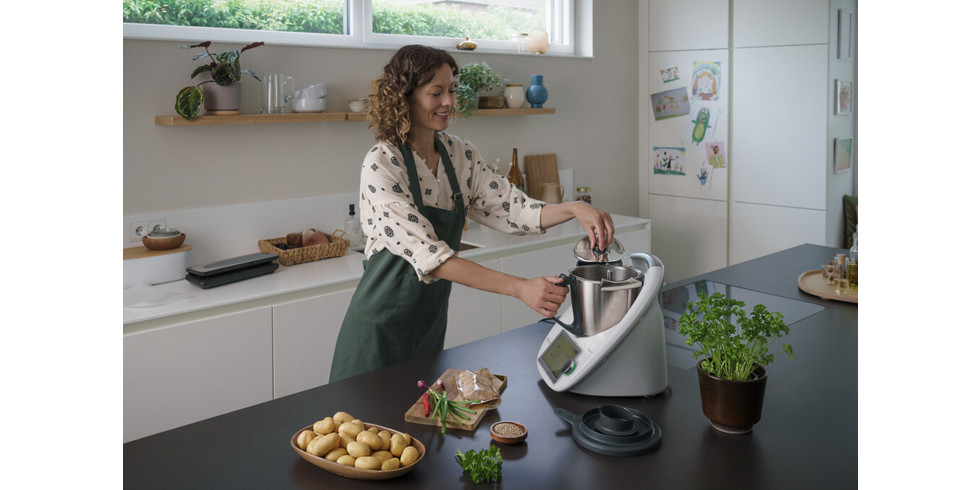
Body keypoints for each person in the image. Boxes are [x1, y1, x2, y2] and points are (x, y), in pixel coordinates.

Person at [329, 45, 616, 382]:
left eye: (452, 89)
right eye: (436, 92)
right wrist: (521, 288)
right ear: (405, 97)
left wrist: (572, 208)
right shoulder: (383, 162)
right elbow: (431, 256)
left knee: (419, 426)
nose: (449, 101)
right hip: (376, 335)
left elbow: (513, 210)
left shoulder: (459, 153)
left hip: (428, 326)